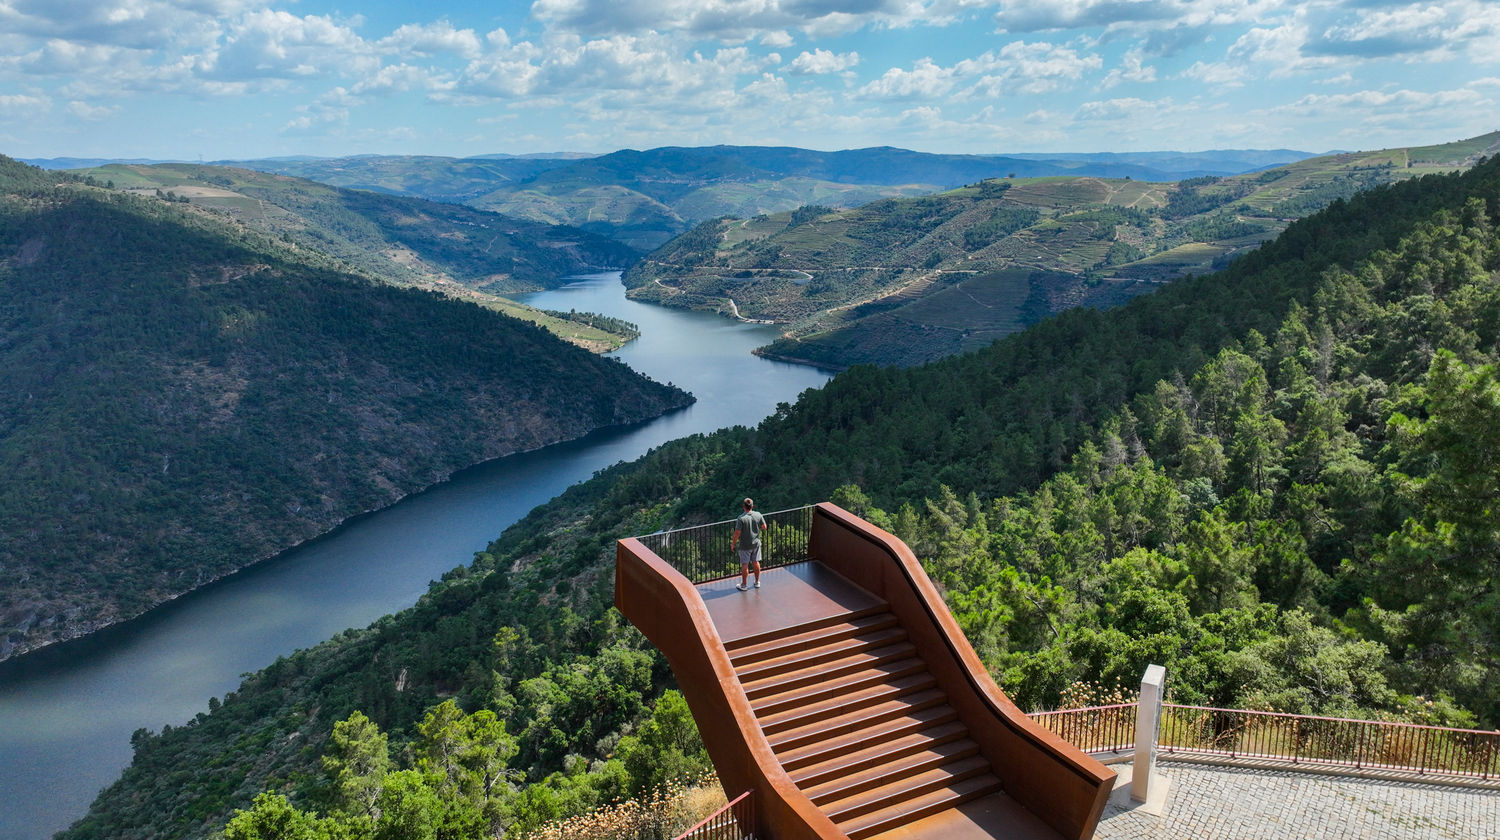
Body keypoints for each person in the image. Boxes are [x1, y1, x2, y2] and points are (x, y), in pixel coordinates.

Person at [731, 497, 766, 590]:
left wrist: (733, 544)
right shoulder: (758, 515)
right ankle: (757, 582)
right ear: (752, 506)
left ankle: (744, 585)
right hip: (756, 543)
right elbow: (764, 527)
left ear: (743, 506)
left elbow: (737, 533)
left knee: (745, 564)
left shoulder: (741, 518)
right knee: (756, 561)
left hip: (745, 545)